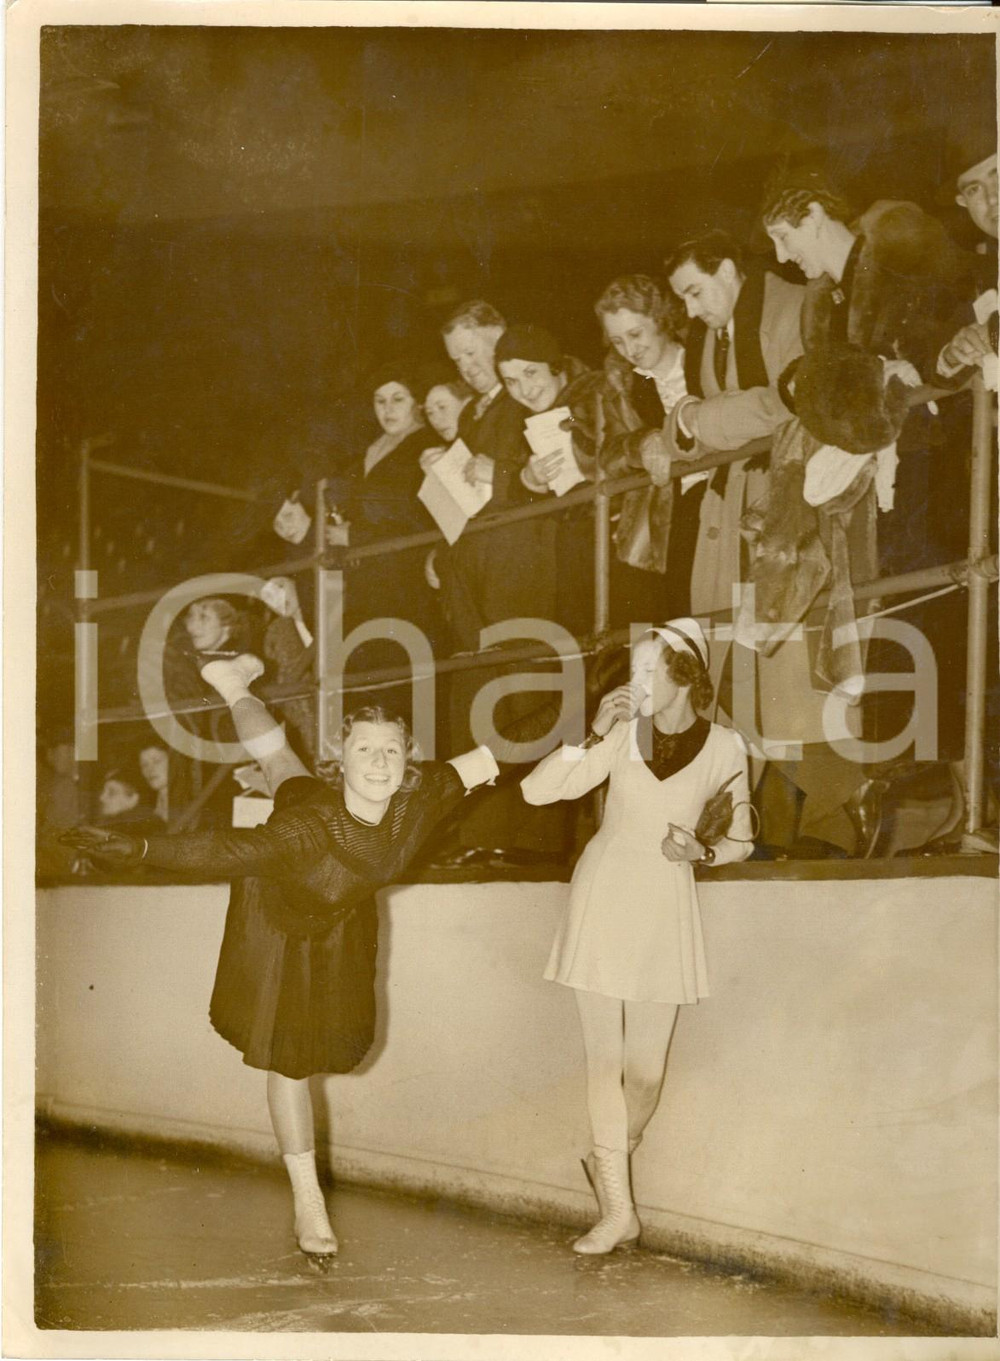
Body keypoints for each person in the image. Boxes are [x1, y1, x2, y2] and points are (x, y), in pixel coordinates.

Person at [64, 653, 500, 1268]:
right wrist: (138, 845)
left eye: (391, 752)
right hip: (284, 909)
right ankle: (308, 1200)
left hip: (343, 918)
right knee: (290, 1059)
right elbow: (220, 849)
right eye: (365, 750)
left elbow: (494, 755)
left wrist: (590, 732)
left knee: (278, 762)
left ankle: (232, 683)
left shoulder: (422, 792)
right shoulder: (306, 826)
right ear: (341, 759)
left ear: (409, 761)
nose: (378, 762)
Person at [520, 619, 753, 1254]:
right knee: (605, 1062)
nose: (637, 682)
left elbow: (741, 841)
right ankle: (618, 1211)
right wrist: (592, 731)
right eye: (635, 671)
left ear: (687, 677)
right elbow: (539, 792)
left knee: (646, 1075)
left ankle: (609, 1165)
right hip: (603, 894)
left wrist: (700, 851)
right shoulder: (620, 733)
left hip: (664, 905)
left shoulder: (728, 748)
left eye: (651, 671)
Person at [665, 230, 804, 617]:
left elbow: (791, 401)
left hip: (782, 495)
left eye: (695, 292)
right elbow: (692, 421)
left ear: (727, 271)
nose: (690, 311)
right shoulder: (710, 335)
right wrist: (685, 422)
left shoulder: (793, 306)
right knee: (728, 644)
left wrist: (698, 418)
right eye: (682, 299)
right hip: (727, 503)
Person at [593, 275, 694, 622]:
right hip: (659, 530)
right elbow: (607, 453)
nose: (629, 350)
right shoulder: (622, 384)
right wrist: (643, 443)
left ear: (660, 318)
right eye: (618, 341)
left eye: (635, 334)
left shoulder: (704, 358)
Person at [493, 322, 602, 636]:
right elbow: (522, 496)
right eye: (511, 381)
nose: (524, 391)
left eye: (530, 373)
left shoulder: (597, 394)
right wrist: (530, 480)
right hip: (568, 558)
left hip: (611, 547)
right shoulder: (523, 419)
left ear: (555, 366)